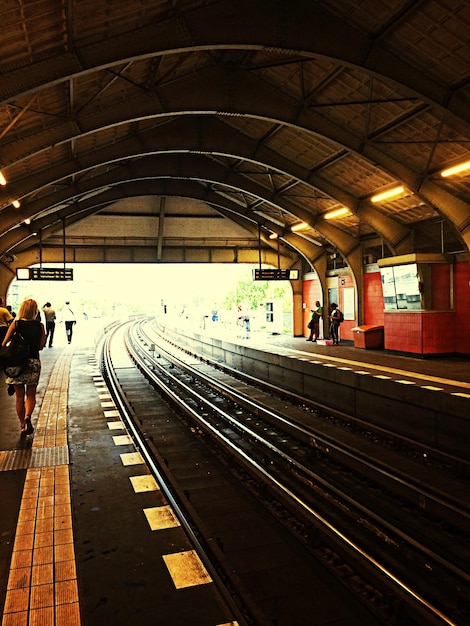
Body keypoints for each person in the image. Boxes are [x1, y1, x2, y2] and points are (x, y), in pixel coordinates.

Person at [2, 298, 46, 436]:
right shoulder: (40, 326)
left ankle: (22, 424)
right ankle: (28, 416)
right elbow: (41, 346)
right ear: (35, 311)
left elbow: (4, 343)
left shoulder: (16, 324)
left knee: (19, 396)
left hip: (16, 364)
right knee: (31, 394)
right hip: (33, 361)